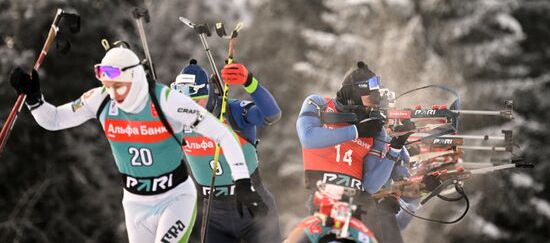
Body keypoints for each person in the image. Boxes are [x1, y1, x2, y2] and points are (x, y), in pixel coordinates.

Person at [9, 45, 265, 243]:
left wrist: (242, 181)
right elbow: (53, 120)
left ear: (134, 78)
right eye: (108, 86)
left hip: (175, 199)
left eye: (119, 87)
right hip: (134, 204)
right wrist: (34, 99)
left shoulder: (166, 101)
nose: (114, 94)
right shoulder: (99, 100)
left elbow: (221, 134)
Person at [296, 61, 412, 243]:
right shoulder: (318, 104)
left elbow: (371, 184)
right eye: (370, 99)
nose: (372, 106)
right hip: (326, 197)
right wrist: (356, 131)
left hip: (361, 203)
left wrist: (395, 148)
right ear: (353, 95)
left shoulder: (375, 128)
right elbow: (308, 138)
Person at [170, 59, 282, 243]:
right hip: (213, 212)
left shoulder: (231, 111)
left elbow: (272, 115)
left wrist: (249, 81)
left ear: (209, 93)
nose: (192, 110)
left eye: (197, 101)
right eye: (186, 103)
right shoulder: (178, 118)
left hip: (252, 205)